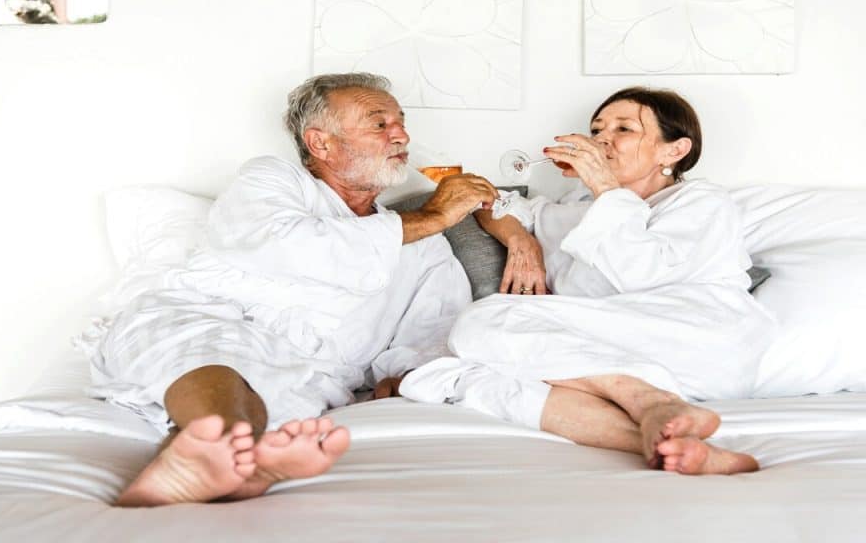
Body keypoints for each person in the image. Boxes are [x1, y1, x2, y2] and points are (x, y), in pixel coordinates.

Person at [86, 72, 499, 506]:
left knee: (278, 394)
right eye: (379, 124)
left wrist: (411, 373)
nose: (401, 134)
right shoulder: (273, 180)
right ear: (320, 144)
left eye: (400, 121)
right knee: (215, 357)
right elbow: (285, 245)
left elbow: (434, 322)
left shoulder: (424, 246)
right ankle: (215, 451)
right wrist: (433, 215)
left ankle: (222, 464)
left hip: (311, 371)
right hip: (210, 318)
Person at [402, 87, 775, 475]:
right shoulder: (575, 205)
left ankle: (646, 401)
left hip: (690, 340)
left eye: (623, 129)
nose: (602, 140)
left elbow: (640, 275)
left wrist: (606, 187)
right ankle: (665, 434)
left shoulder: (701, 202)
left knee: (474, 346)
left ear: (674, 151)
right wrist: (519, 239)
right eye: (597, 129)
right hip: (596, 353)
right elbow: (492, 204)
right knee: (475, 337)